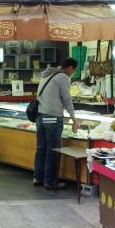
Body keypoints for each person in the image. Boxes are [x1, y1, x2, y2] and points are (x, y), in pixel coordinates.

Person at [33, 58, 80, 190]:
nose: (73, 73)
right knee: (53, 150)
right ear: (70, 67)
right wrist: (74, 119)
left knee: (41, 149)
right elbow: (67, 99)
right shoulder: (63, 77)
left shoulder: (46, 74)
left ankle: (38, 177)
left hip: (40, 117)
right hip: (52, 118)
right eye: (74, 70)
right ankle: (49, 181)